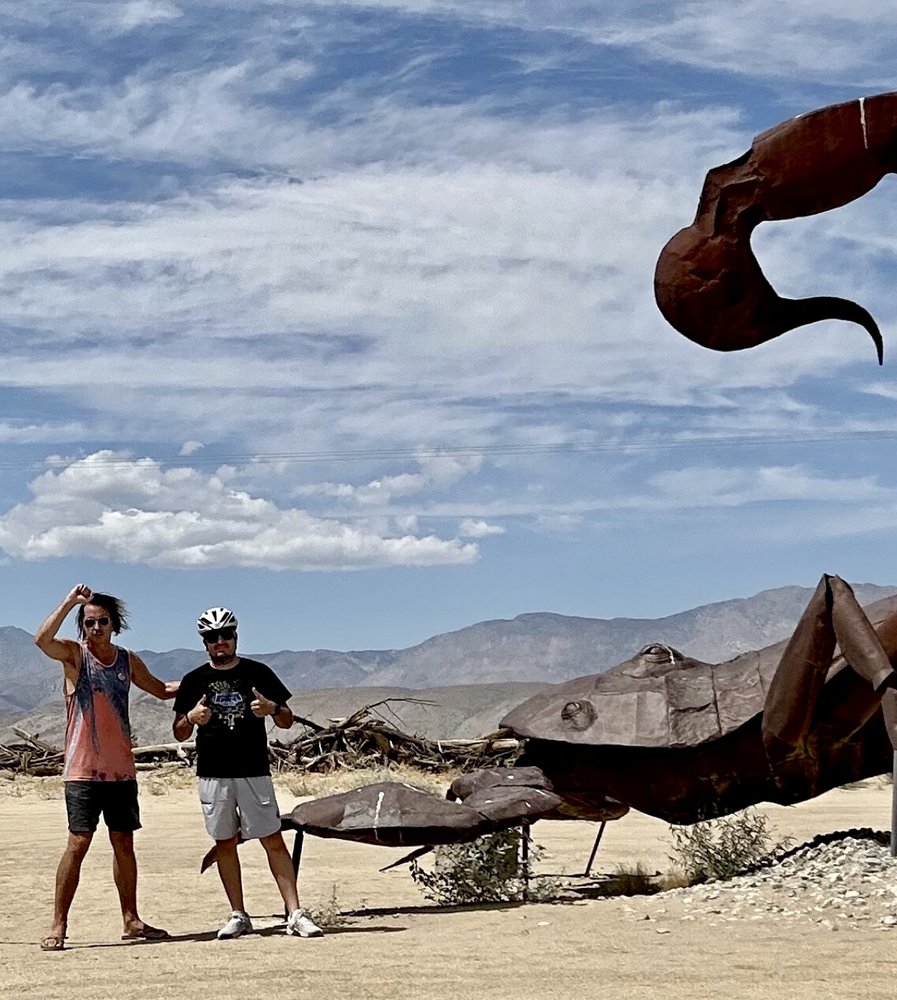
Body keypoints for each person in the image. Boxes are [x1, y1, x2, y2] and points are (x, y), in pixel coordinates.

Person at [34, 584, 178, 952]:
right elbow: (42, 640)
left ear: (114, 624)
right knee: (78, 843)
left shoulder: (127, 661)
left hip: (120, 771)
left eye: (102, 622)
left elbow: (161, 689)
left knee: (124, 842)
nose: (95, 628)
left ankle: (131, 919)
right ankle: (58, 923)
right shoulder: (75, 656)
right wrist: (69, 602)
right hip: (82, 771)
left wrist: (203, 680)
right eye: (89, 622)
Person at [172, 607, 323, 939]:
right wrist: (192, 718)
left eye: (225, 635)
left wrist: (272, 709)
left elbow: (286, 719)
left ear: (235, 637)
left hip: (253, 770)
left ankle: (295, 913)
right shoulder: (194, 680)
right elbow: (179, 731)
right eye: (212, 638)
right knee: (225, 841)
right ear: (205, 643)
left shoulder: (258, 672)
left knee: (272, 838)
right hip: (213, 773)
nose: (220, 642)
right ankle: (238, 914)